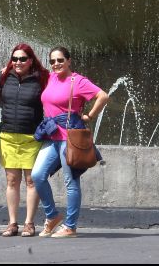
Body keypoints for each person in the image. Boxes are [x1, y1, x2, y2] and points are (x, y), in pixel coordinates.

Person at [31, 46, 108, 238]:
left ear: (69, 61)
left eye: (60, 60)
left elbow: (103, 96)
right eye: (52, 61)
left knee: (70, 182)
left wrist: (89, 116)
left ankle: (70, 226)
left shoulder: (78, 81)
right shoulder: (50, 78)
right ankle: (52, 216)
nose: (56, 64)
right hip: (51, 136)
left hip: (69, 138)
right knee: (37, 175)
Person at [0, 43, 49, 237]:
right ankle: (12, 223)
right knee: (11, 180)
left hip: (31, 135)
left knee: (31, 180)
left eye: (22, 59)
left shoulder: (42, 78)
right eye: (15, 59)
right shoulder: (4, 77)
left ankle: (29, 223)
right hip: (8, 134)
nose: (18, 62)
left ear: (31, 60)